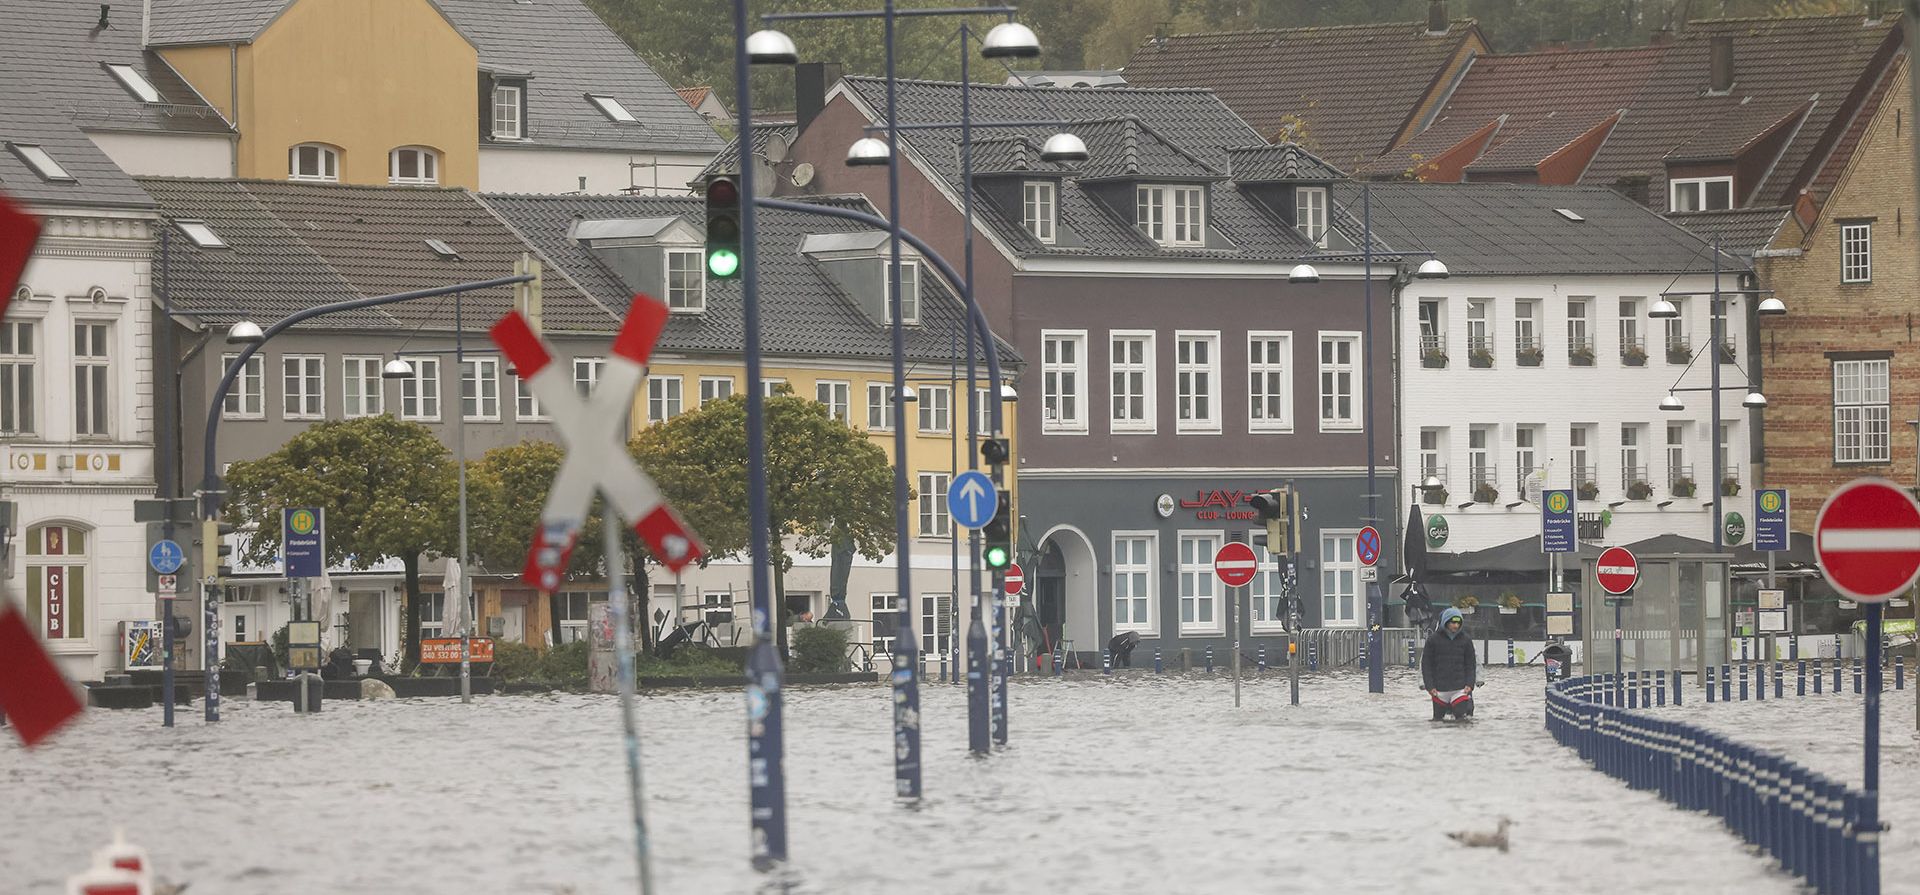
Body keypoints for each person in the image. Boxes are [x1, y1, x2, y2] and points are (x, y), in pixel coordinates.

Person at [1421, 606, 1478, 721]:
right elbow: (1426, 665)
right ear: (1445, 622)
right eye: (1452, 622)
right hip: (1439, 690)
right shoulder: (1433, 640)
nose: (1456, 626)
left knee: (1461, 719)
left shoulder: (1466, 640)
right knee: (1437, 720)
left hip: (1460, 689)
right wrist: (1429, 686)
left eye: (1458, 623)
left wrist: (1470, 684)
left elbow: (1471, 664)